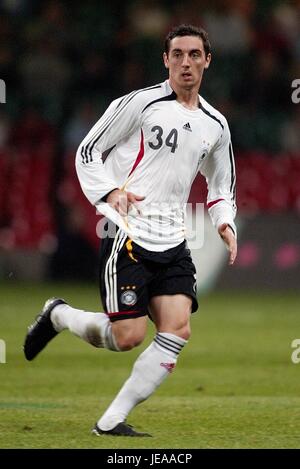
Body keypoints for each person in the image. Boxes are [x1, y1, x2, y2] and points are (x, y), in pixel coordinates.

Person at [24, 24, 237, 437]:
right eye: (177, 54)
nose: (186, 62)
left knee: (177, 328)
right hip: (129, 235)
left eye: (195, 54)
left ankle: (110, 422)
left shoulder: (216, 125)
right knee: (127, 337)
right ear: (165, 60)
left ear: (207, 60)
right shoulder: (140, 104)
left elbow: (221, 185)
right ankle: (59, 315)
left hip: (174, 239)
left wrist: (224, 221)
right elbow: (88, 150)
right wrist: (110, 190)